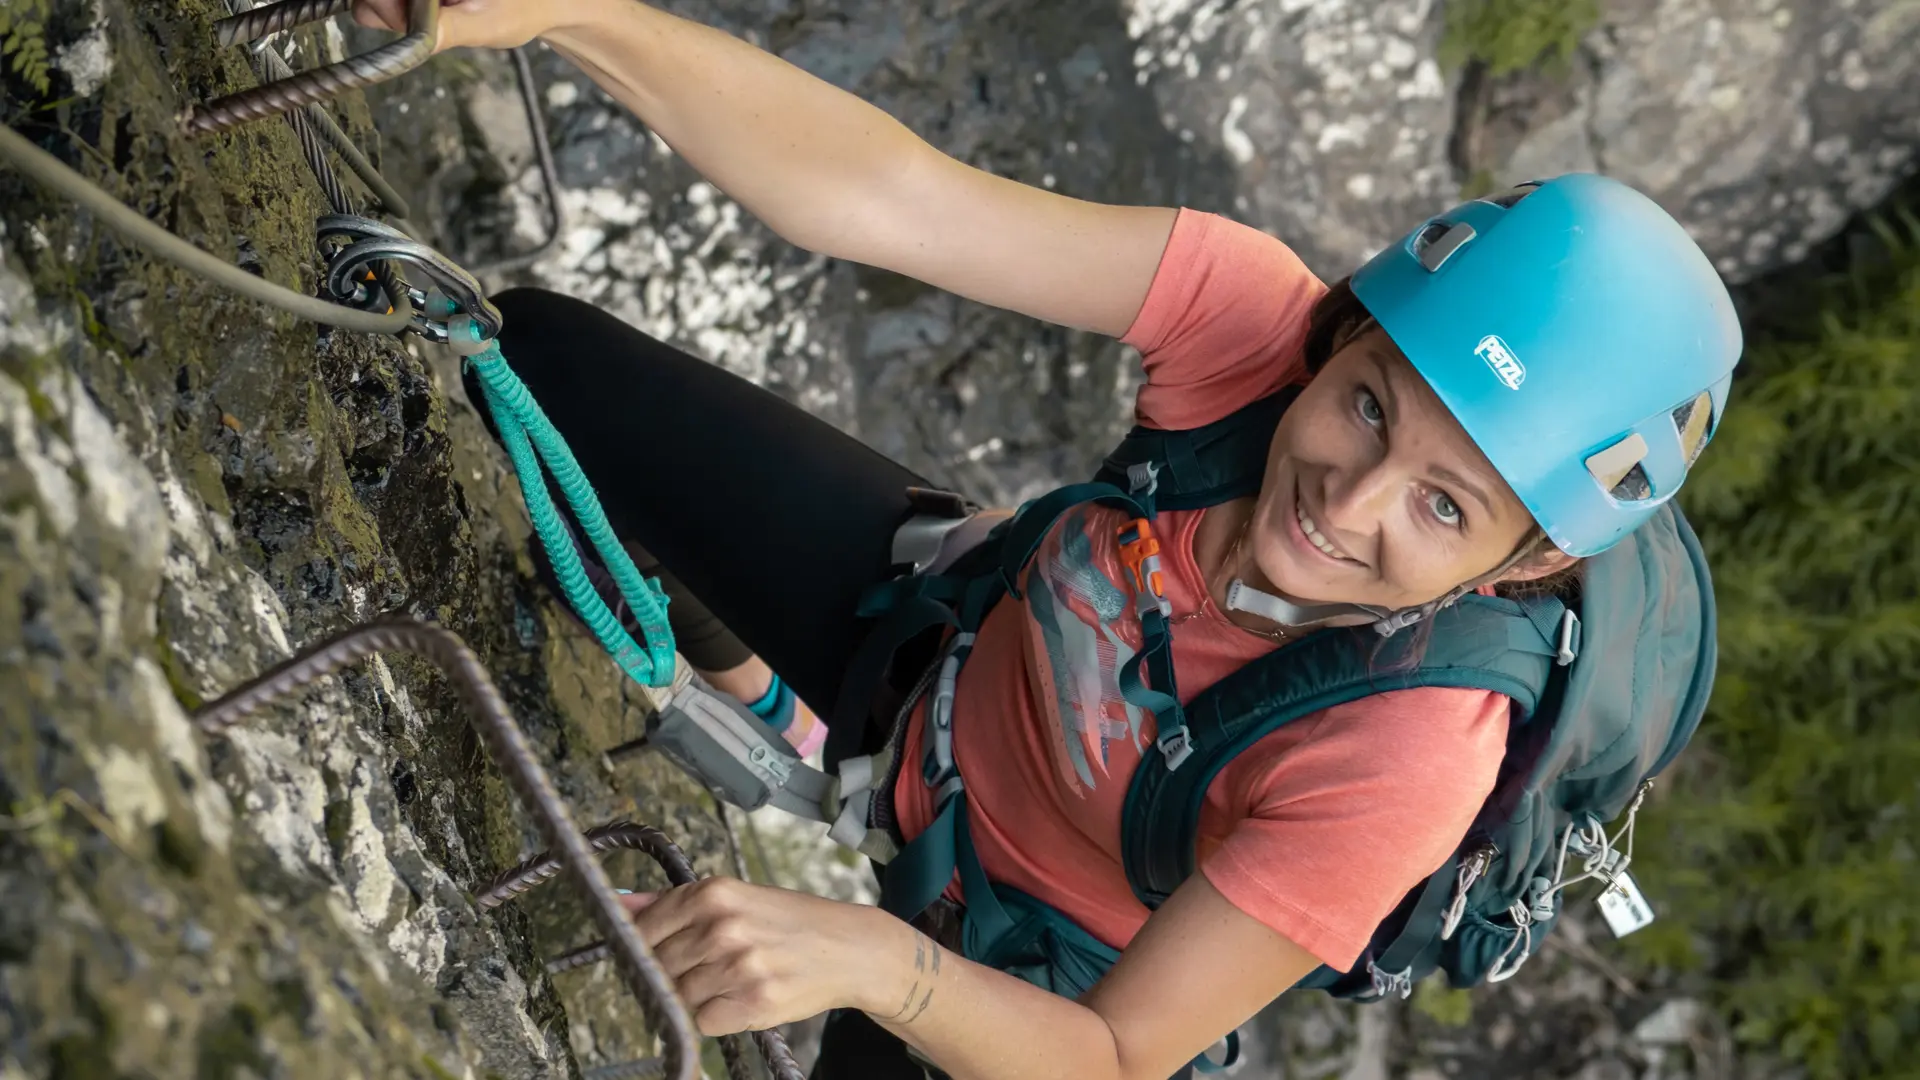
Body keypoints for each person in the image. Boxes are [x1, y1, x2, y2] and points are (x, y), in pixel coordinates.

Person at [353, 2, 1742, 1078]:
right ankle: (766, 699)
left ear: (1516, 564)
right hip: (936, 649)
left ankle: (780, 722)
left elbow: (1122, 1056)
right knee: (528, 360)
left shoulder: (1404, 755)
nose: (1347, 502)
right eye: (1368, 406)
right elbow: (889, 195)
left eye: (1446, 505)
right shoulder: (1253, 329)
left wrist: (877, 966)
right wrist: (572, 19)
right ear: (1345, 335)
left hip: (1026, 991)